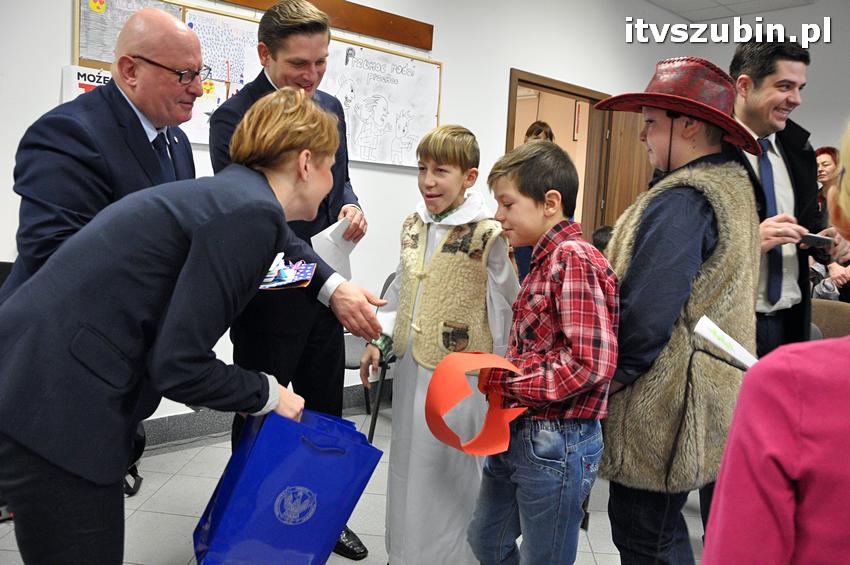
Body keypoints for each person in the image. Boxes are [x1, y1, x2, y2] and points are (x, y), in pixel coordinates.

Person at [0, 87, 333, 565]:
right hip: (58, 406)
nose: (330, 182)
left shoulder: (231, 195)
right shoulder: (250, 213)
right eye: (330, 164)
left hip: (33, 376)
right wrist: (267, 393)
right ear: (305, 163)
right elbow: (180, 366)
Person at [208, 1, 378, 558]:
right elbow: (262, 226)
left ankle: (320, 516)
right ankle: (246, 520)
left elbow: (341, 185)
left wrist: (350, 209)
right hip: (272, 291)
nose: (310, 78)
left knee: (324, 410)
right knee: (263, 410)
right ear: (265, 55)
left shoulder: (328, 108)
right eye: (298, 64)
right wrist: (328, 282)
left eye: (321, 63)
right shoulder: (235, 118)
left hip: (326, 288)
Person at [595, 57, 761, 564]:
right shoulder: (734, 186)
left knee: (645, 537)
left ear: (687, 124)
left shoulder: (684, 198)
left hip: (663, 406)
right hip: (700, 396)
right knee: (662, 534)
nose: (643, 135)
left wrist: (609, 380)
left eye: (651, 122)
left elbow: (648, 313)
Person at [358, 124, 518, 564]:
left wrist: (499, 373)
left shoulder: (488, 234)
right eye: (422, 169)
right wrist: (380, 338)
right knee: (408, 465)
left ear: (469, 177)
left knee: (447, 472)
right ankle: (405, 554)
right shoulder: (414, 224)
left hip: (460, 377)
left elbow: (506, 304)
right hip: (413, 367)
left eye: (441, 171)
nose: (428, 181)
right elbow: (404, 286)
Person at [702, 120, 850, 565]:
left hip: (787, 331)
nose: (796, 100)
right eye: (785, 85)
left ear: (838, 207)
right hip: (739, 327)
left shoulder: (790, 388)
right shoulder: (716, 163)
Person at [467, 140, 619, 564]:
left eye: (507, 204)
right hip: (520, 428)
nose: (499, 216)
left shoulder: (573, 258)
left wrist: (512, 382)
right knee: (486, 539)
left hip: (558, 440)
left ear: (550, 202)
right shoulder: (542, 259)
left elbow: (590, 363)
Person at [0, 7, 200, 303]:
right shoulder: (68, 134)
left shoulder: (176, 141)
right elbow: (57, 261)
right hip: (65, 337)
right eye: (183, 75)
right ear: (130, 71)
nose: (197, 89)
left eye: (199, 73)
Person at [726, 41, 849, 357]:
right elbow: (681, 246)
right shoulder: (708, 148)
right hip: (732, 323)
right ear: (745, 85)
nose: (796, 99)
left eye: (800, 87)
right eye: (784, 86)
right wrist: (751, 242)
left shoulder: (799, 151)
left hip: (791, 321)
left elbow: (804, 230)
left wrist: (826, 243)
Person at [513, 121, 556, 281]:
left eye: (546, 140)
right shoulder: (516, 167)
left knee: (548, 276)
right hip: (523, 229)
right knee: (525, 277)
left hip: (547, 231)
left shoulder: (555, 169)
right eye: (537, 138)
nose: (541, 144)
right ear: (526, 139)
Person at [814, 146, 850, 294]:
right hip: (822, 270)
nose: (820, 169)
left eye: (826, 164)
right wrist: (831, 265)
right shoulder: (811, 201)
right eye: (816, 166)